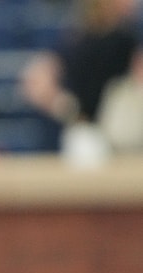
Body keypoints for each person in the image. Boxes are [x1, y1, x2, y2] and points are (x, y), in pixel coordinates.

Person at [19, 0, 143, 164]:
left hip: (120, 129)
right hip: (86, 131)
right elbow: (35, 80)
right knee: (86, 146)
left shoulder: (128, 40)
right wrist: (69, 109)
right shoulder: (76, 40)